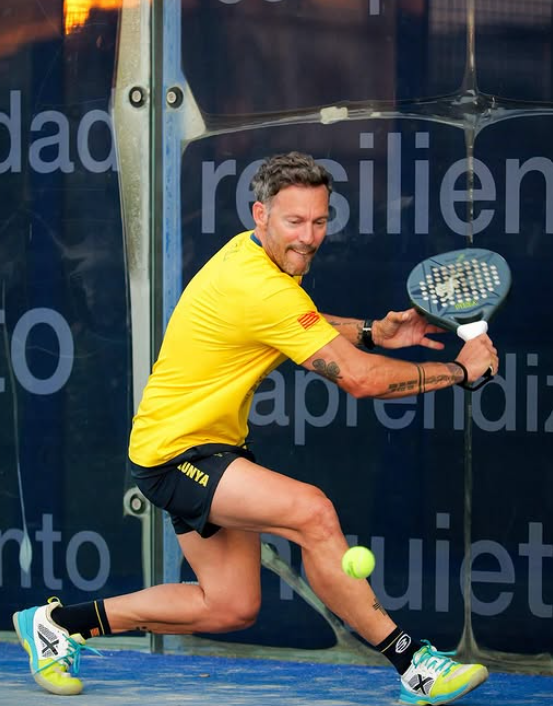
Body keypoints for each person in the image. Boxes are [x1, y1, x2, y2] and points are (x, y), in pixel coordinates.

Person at [13, 152, 498, 704]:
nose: (308, 237)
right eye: (295, 221)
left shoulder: (255, 257)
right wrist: (461, 371)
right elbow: (360, 380)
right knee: (312, 513)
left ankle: (57, 626)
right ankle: (416, 666)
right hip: (177, 453)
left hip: (202, 445)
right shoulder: (260, 285)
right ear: (260, 214)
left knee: (229, 605)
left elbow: (297, 321)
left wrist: (373, 332)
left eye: (319, 221)